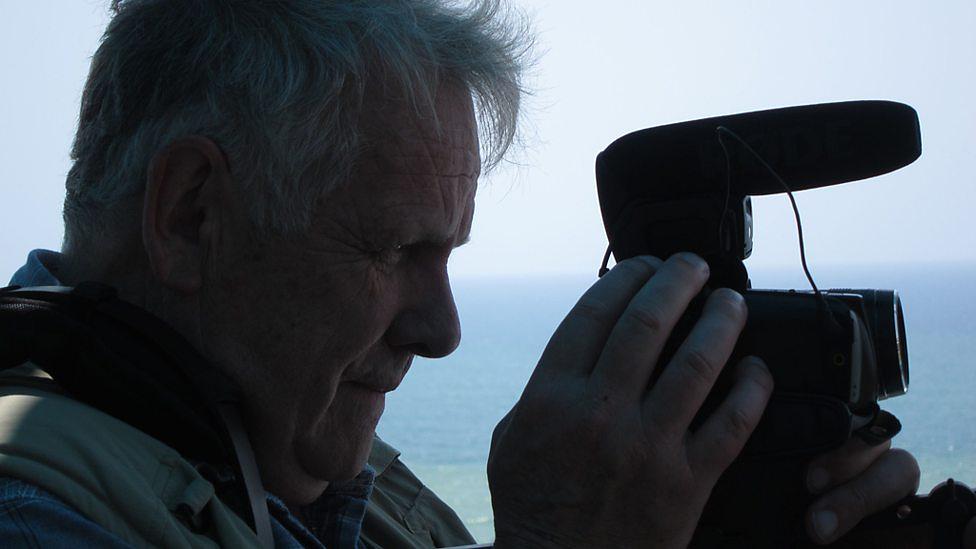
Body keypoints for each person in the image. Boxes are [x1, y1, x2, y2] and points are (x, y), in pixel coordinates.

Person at [0, 0, 928, 547]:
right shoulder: (33, 514)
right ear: (191, 215)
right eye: (396, 250)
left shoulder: (280, 460)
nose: (441, 331)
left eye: (446, 255)